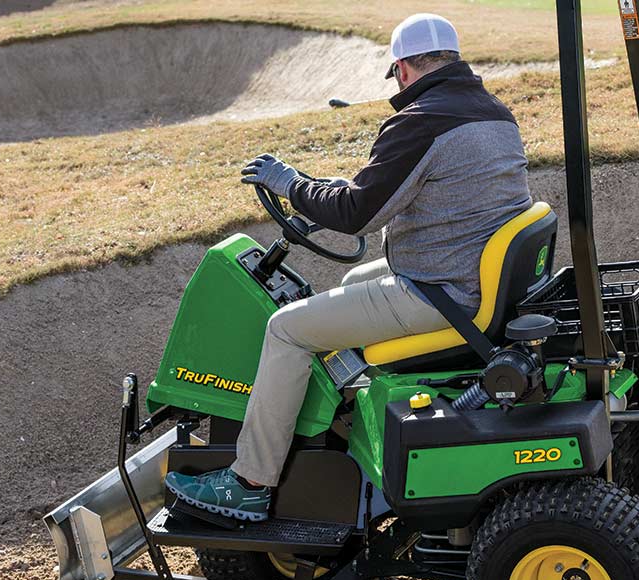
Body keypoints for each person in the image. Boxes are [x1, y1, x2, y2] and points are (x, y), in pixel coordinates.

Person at [164, 13, 532, 521]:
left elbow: (358, 215)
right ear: (451, 58)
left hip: (442, 293)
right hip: (470, 279)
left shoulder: (420, 121)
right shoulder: (492, 112)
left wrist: (290, 182)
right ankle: (346, 423)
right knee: (355, 280)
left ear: (403, 68)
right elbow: (394, 194)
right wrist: (329, 190)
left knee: (288, 329)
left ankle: (250, 481)